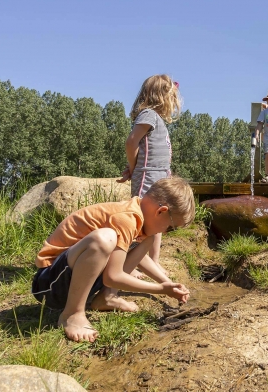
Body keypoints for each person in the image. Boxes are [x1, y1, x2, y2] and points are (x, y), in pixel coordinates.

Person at [31, 177, 195, 342]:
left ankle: (107, 296)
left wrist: (168, 283)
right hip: (49, 283)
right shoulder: (126, 218)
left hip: (73, 278)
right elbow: (113, 276)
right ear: (161, 211)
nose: (167, 232)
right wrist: (161, 289)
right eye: (171, 228)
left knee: (148, 239)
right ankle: (72, 313)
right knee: (105, 238)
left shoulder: (137, 215)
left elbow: (139, 258)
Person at [117, 74, 181, 282]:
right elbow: (131, 142)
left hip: (158, 174)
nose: (174, 102)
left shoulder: (156, 118)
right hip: (148, 174)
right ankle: (129, 263)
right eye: (173, 96)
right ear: (162, 96)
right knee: (142, 221)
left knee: (157, 220)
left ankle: (153, 262)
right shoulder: (148, 114)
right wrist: (135, 168)